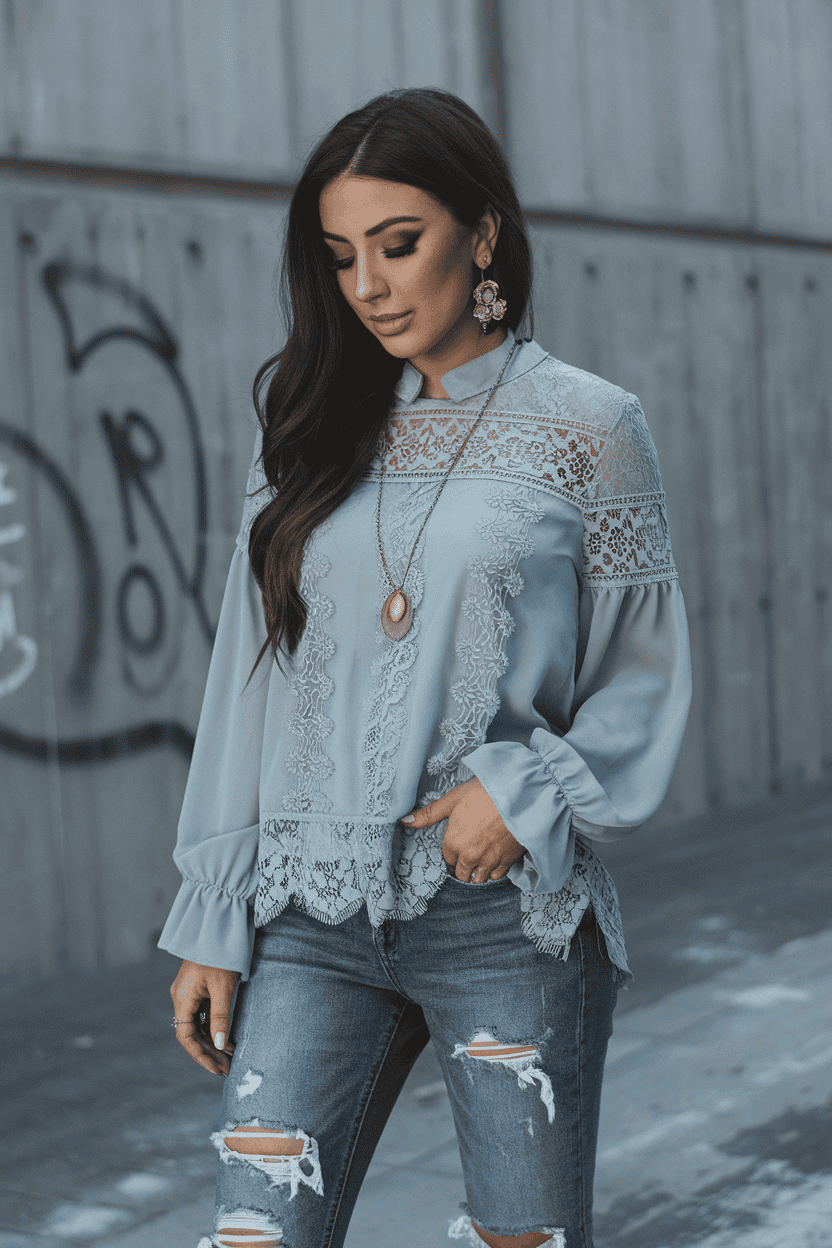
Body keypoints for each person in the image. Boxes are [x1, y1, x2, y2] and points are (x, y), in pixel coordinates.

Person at [159, 87, 692, 1248]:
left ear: (483, 232)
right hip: (306, 911)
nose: (369, 286)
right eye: (341, 256)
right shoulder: (305, 427)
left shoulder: (589, 428)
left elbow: (642, 674)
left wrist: (525, 789)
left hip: (502, 917)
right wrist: (213, 912)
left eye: (399, 246)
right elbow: (249, 677)